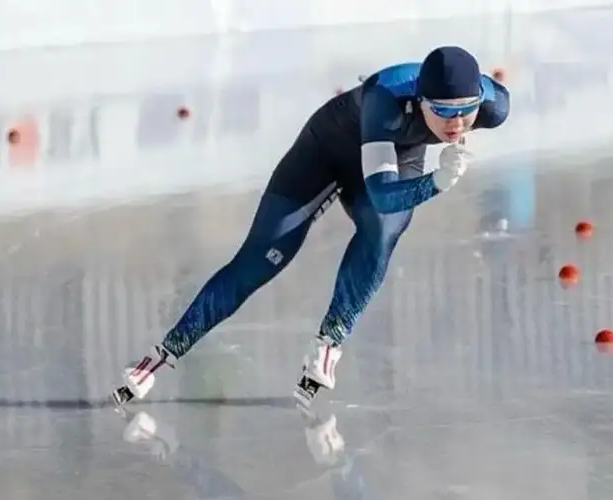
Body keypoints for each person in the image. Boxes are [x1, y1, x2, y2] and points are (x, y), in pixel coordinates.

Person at [112, 45, 510, 409]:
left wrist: (437, 162)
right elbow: (383, 195)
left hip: (397, 152)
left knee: (383, 232)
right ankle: (161, 355)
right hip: (327, 150)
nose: (457, 123)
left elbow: (385, 208)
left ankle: (330, 340)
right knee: (259, 260)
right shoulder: (385, 100)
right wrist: (436, 181)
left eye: (466, 109)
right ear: (420, 100)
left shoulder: (494, 107)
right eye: (443, 111)